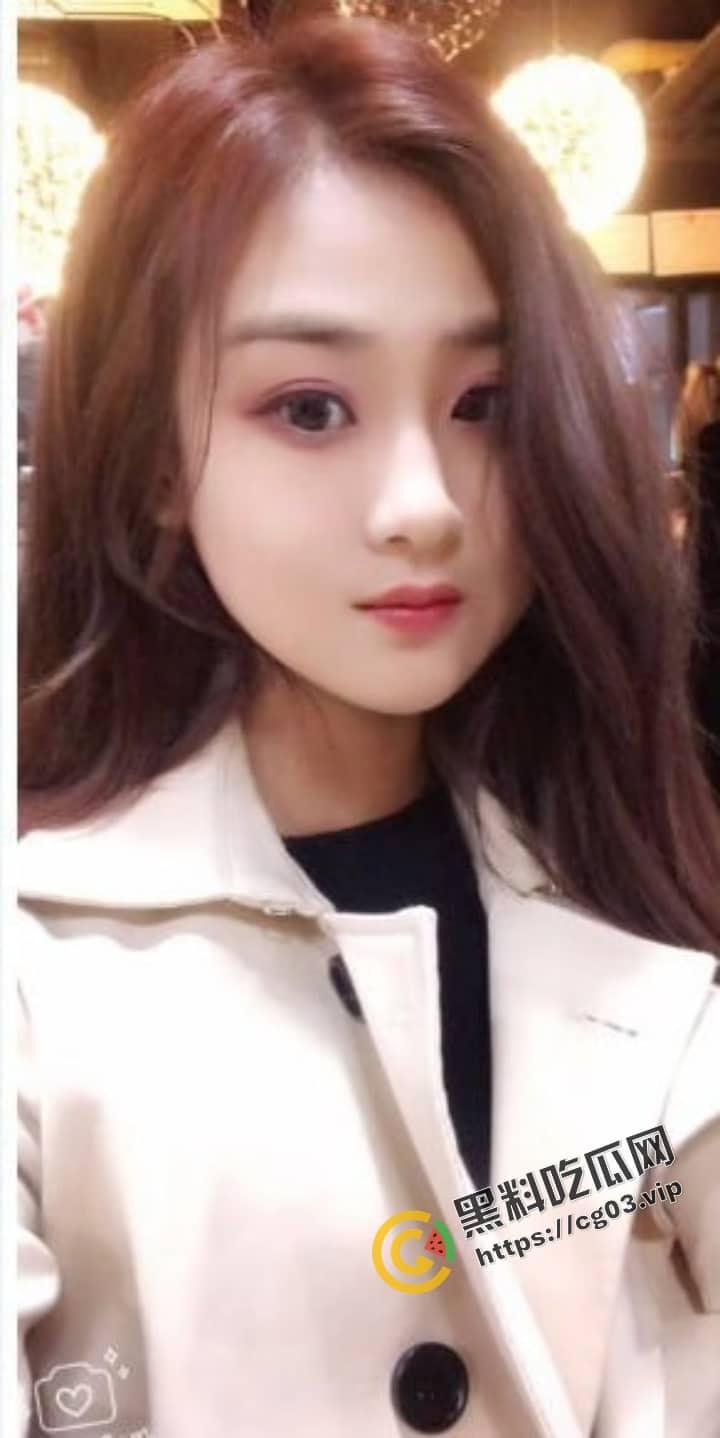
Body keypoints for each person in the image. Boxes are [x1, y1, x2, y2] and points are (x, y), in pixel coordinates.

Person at [18, 17, 720, 1438]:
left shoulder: (624, 858)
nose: (424, 504)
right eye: (310, 406)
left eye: (485, 403)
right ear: (153, 461)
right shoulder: (39, 975)